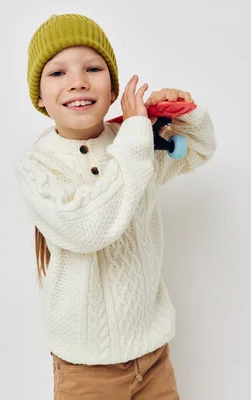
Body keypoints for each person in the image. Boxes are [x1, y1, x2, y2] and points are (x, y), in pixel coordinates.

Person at [15, 13, 217, 399]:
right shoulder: (38, 165)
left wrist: (181, 112)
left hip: (153, 355)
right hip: (87, 369)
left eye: (93, 68)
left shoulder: (136, 139)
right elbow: (88, 229)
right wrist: (136, 138)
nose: (78, 81)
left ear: (113, 90)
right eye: (58, 73)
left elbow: (199, 151)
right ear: (39, 97)